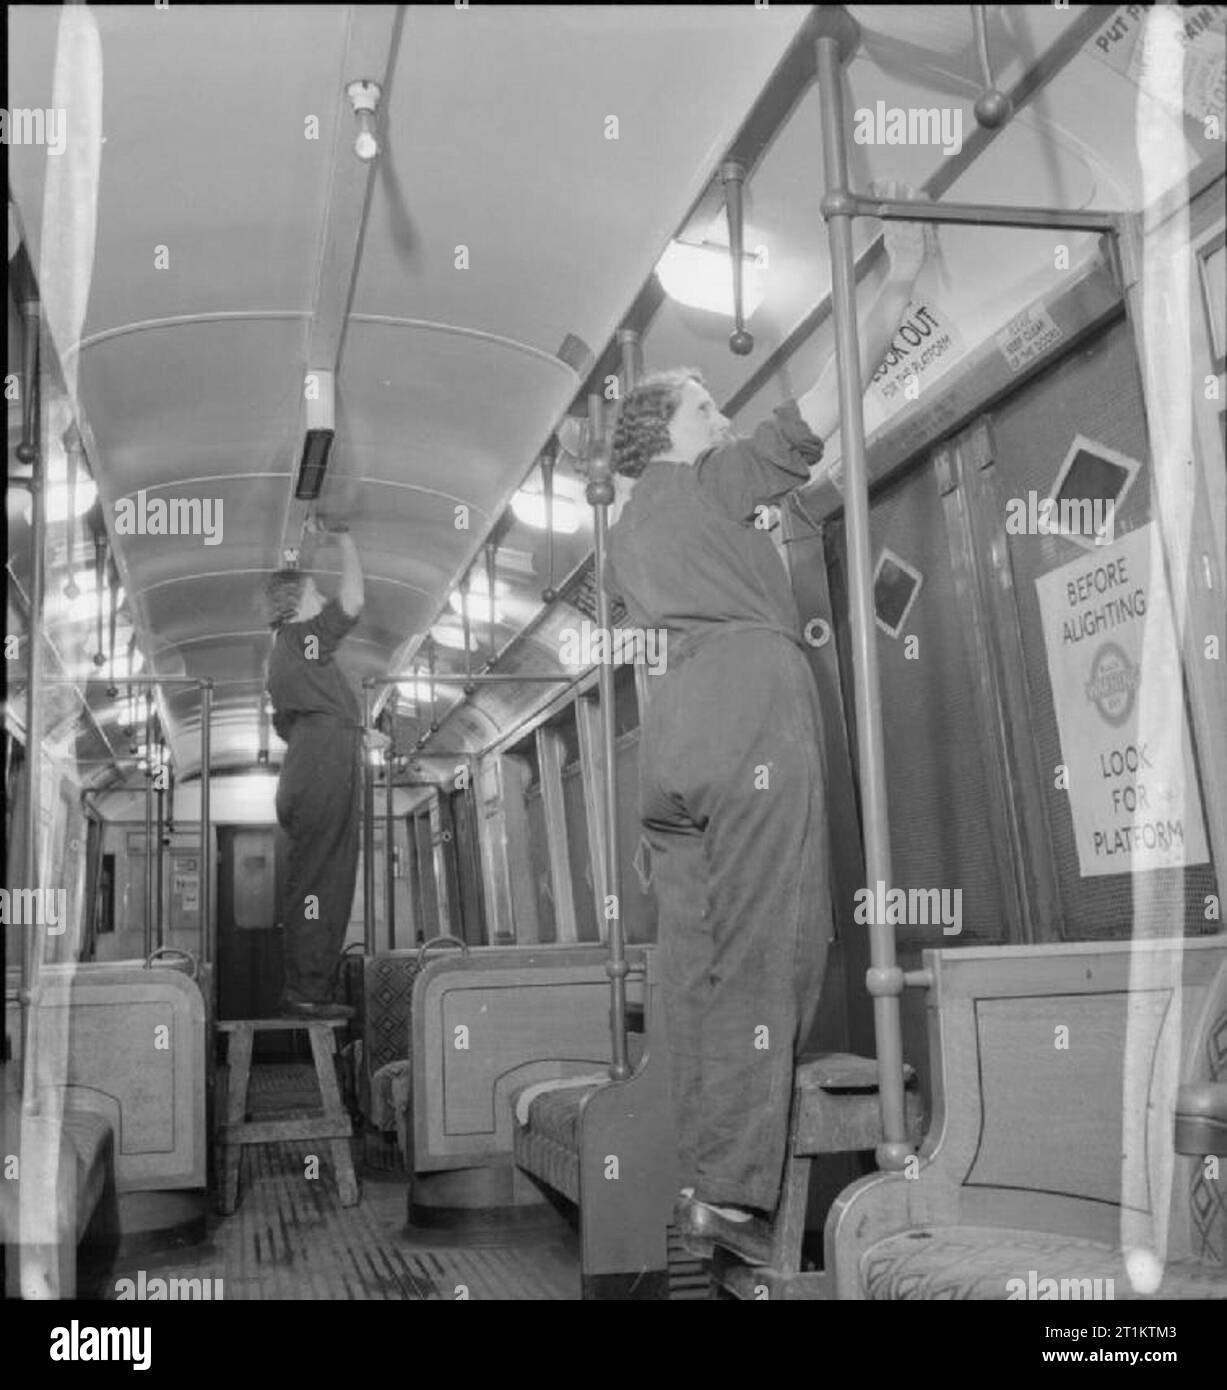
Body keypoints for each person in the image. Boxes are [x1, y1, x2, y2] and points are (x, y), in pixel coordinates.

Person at [605, 192, 933, 1260]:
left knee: (695, 959)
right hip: (751, 708)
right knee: (778, 942)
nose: (723, 414)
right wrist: (905, 280)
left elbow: (786, 507)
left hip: (677, 734)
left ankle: (706, 1165)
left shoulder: (634, 532)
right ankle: (735, 1190)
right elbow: (833, 395)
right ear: (674, 426)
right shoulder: (710, 473)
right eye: (707, 402)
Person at [262, 516, 365, 1021]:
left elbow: (292, 723)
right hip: (322, 764)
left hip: (315, 759)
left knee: (319, 878)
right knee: (325, 879)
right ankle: (306, 989)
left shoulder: (285, 656)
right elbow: (353, 603)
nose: (322, 598)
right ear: (295, 602)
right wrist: (344, 538)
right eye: (314, 592)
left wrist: (352, 734)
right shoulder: (303, 639)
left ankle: (309, 985)